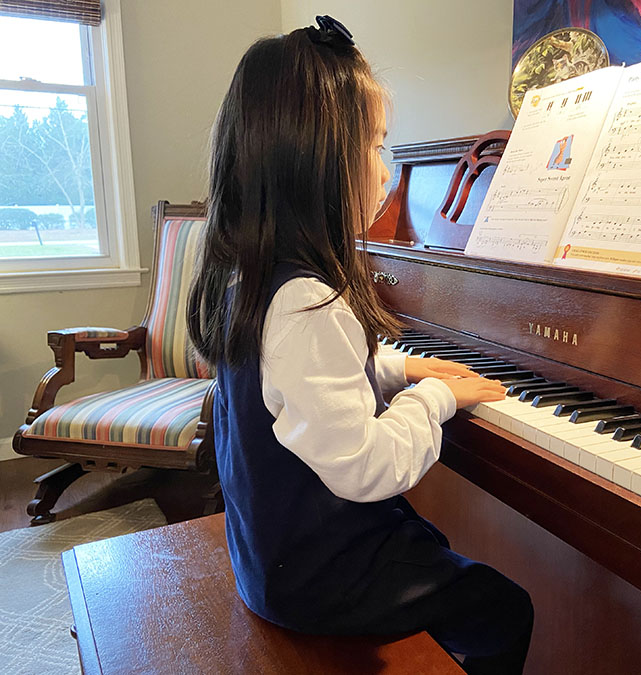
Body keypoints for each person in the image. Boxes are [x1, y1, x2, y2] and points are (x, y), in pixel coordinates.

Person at [187, 16, 534, 675]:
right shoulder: (307, 301)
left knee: (429, 550)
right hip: (316, 580)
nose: (388, 167)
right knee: (504, 607)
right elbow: (369, 465)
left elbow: (301, 377)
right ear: (313, 164)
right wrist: (433, 398)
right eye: (374, 145)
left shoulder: (252, 276)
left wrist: (398, 366)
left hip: (269, 556)